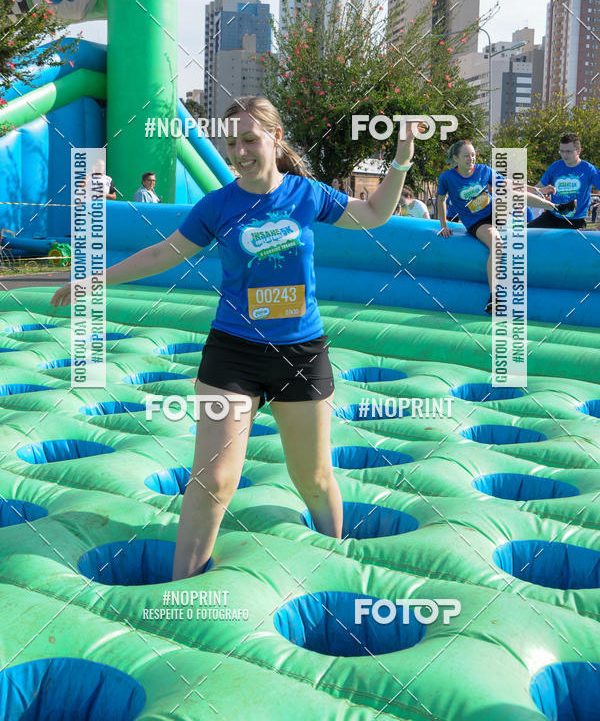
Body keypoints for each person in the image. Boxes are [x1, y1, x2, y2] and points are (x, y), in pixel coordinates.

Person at [50, 95, 424, 581]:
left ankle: (338, 568)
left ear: (275, 138)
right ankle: (182, 587)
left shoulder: (307, 195)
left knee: (311, 478)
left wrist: (401, 157)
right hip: (234, 356)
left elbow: (374, 214)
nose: (240, 152)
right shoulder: (218, 206)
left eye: (249, 139)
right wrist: (93, 279)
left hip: (301, 355)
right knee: (214, 481)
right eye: (231, 143)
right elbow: (164, 253)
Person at [437, 140, 557, 313]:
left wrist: (538, 190)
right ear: (455, 159)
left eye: (473, 155)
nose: (471, 159)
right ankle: (494, 297)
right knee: (497, 244)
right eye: (466, 156)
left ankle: (554, 207)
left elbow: (510, 184)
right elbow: (440, 200)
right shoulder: (447, 178)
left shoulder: (483, 170)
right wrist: (443, 225)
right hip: (477, 223)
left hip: (495, 212)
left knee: (510, 193)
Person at [528, 133, 600, 230]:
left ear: (578, 151)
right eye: (561, 151)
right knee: (527, 233)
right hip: (552, 217)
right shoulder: (555, 167)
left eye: (568, 151)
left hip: (576, 221)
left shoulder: (589, 170)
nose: (564, 155)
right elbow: (537, 188)